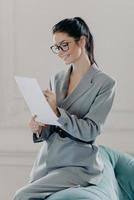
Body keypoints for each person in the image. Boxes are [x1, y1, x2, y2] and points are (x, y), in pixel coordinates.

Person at [13, 17, 116, 200]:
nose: (60, 52)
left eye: (64, 45)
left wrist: (58, 111)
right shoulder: (57, 78)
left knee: (21, 196)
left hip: (77, 164)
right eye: (56, 47)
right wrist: (39, 127)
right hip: (48, 160)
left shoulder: (105, 84)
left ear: (82, 41)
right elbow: (52, 126)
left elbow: (91, 131)